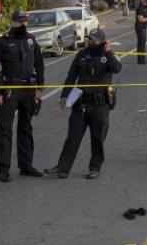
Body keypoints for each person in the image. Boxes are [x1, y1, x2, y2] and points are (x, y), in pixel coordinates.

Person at [45, 29, 121, 179]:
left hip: (100, 104)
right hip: (81, 103)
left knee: (97, 138)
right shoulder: (82, 54)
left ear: (102, 41)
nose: (90, 42)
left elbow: (117, 68)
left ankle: (95, 167)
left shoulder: (108, 55)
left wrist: (108, 52)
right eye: (89, 39)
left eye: (94, 40)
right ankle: (63, 168)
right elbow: (71, 76)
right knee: (73, 137)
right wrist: (64, 95)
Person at [0, 11, 46, 182]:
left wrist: (40, 87)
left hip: (28, 89)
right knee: (5, 128)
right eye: (20, 22)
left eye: (25, 21)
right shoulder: (3, 41)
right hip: (9, 89)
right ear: (13, 22)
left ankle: (26, 165)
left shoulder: (31, 40)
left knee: (26, 127)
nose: (24, 24)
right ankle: (3, 169)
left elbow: (39, 64)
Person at [135, 0, 147, 64]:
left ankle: (142, 58)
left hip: (144, 27)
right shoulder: (140, 8)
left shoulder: (145, 8)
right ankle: (141, 60)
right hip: (140, 27)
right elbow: (140, 19)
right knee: (141, 44)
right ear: (146, 1)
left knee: (143, 43)